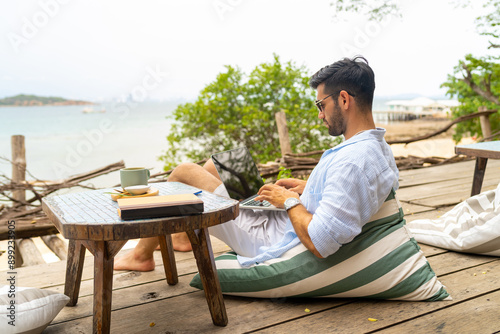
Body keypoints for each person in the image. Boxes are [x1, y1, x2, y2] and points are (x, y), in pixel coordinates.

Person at [113, 56, 399, 272]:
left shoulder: (352, 162)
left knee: (184, 172)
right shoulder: (376, 148)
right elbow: (347, 195)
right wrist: (308, 189)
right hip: (280, 221)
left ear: (344, 100)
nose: (320, 115)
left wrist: (289, 201)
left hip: (268, 238)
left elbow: (322, 242)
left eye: (320, 105)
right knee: (216, 167)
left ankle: (142, 256)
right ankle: (184, 237)